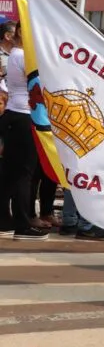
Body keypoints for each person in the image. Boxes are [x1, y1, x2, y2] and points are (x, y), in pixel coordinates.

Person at [0, 22, 46, 240]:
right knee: (23, 173)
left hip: (15, 116)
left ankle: (4, 219)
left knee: (11, 173)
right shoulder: (22, 56)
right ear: (20, 32)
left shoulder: (17, 55)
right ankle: (23, 224)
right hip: (23, 117)